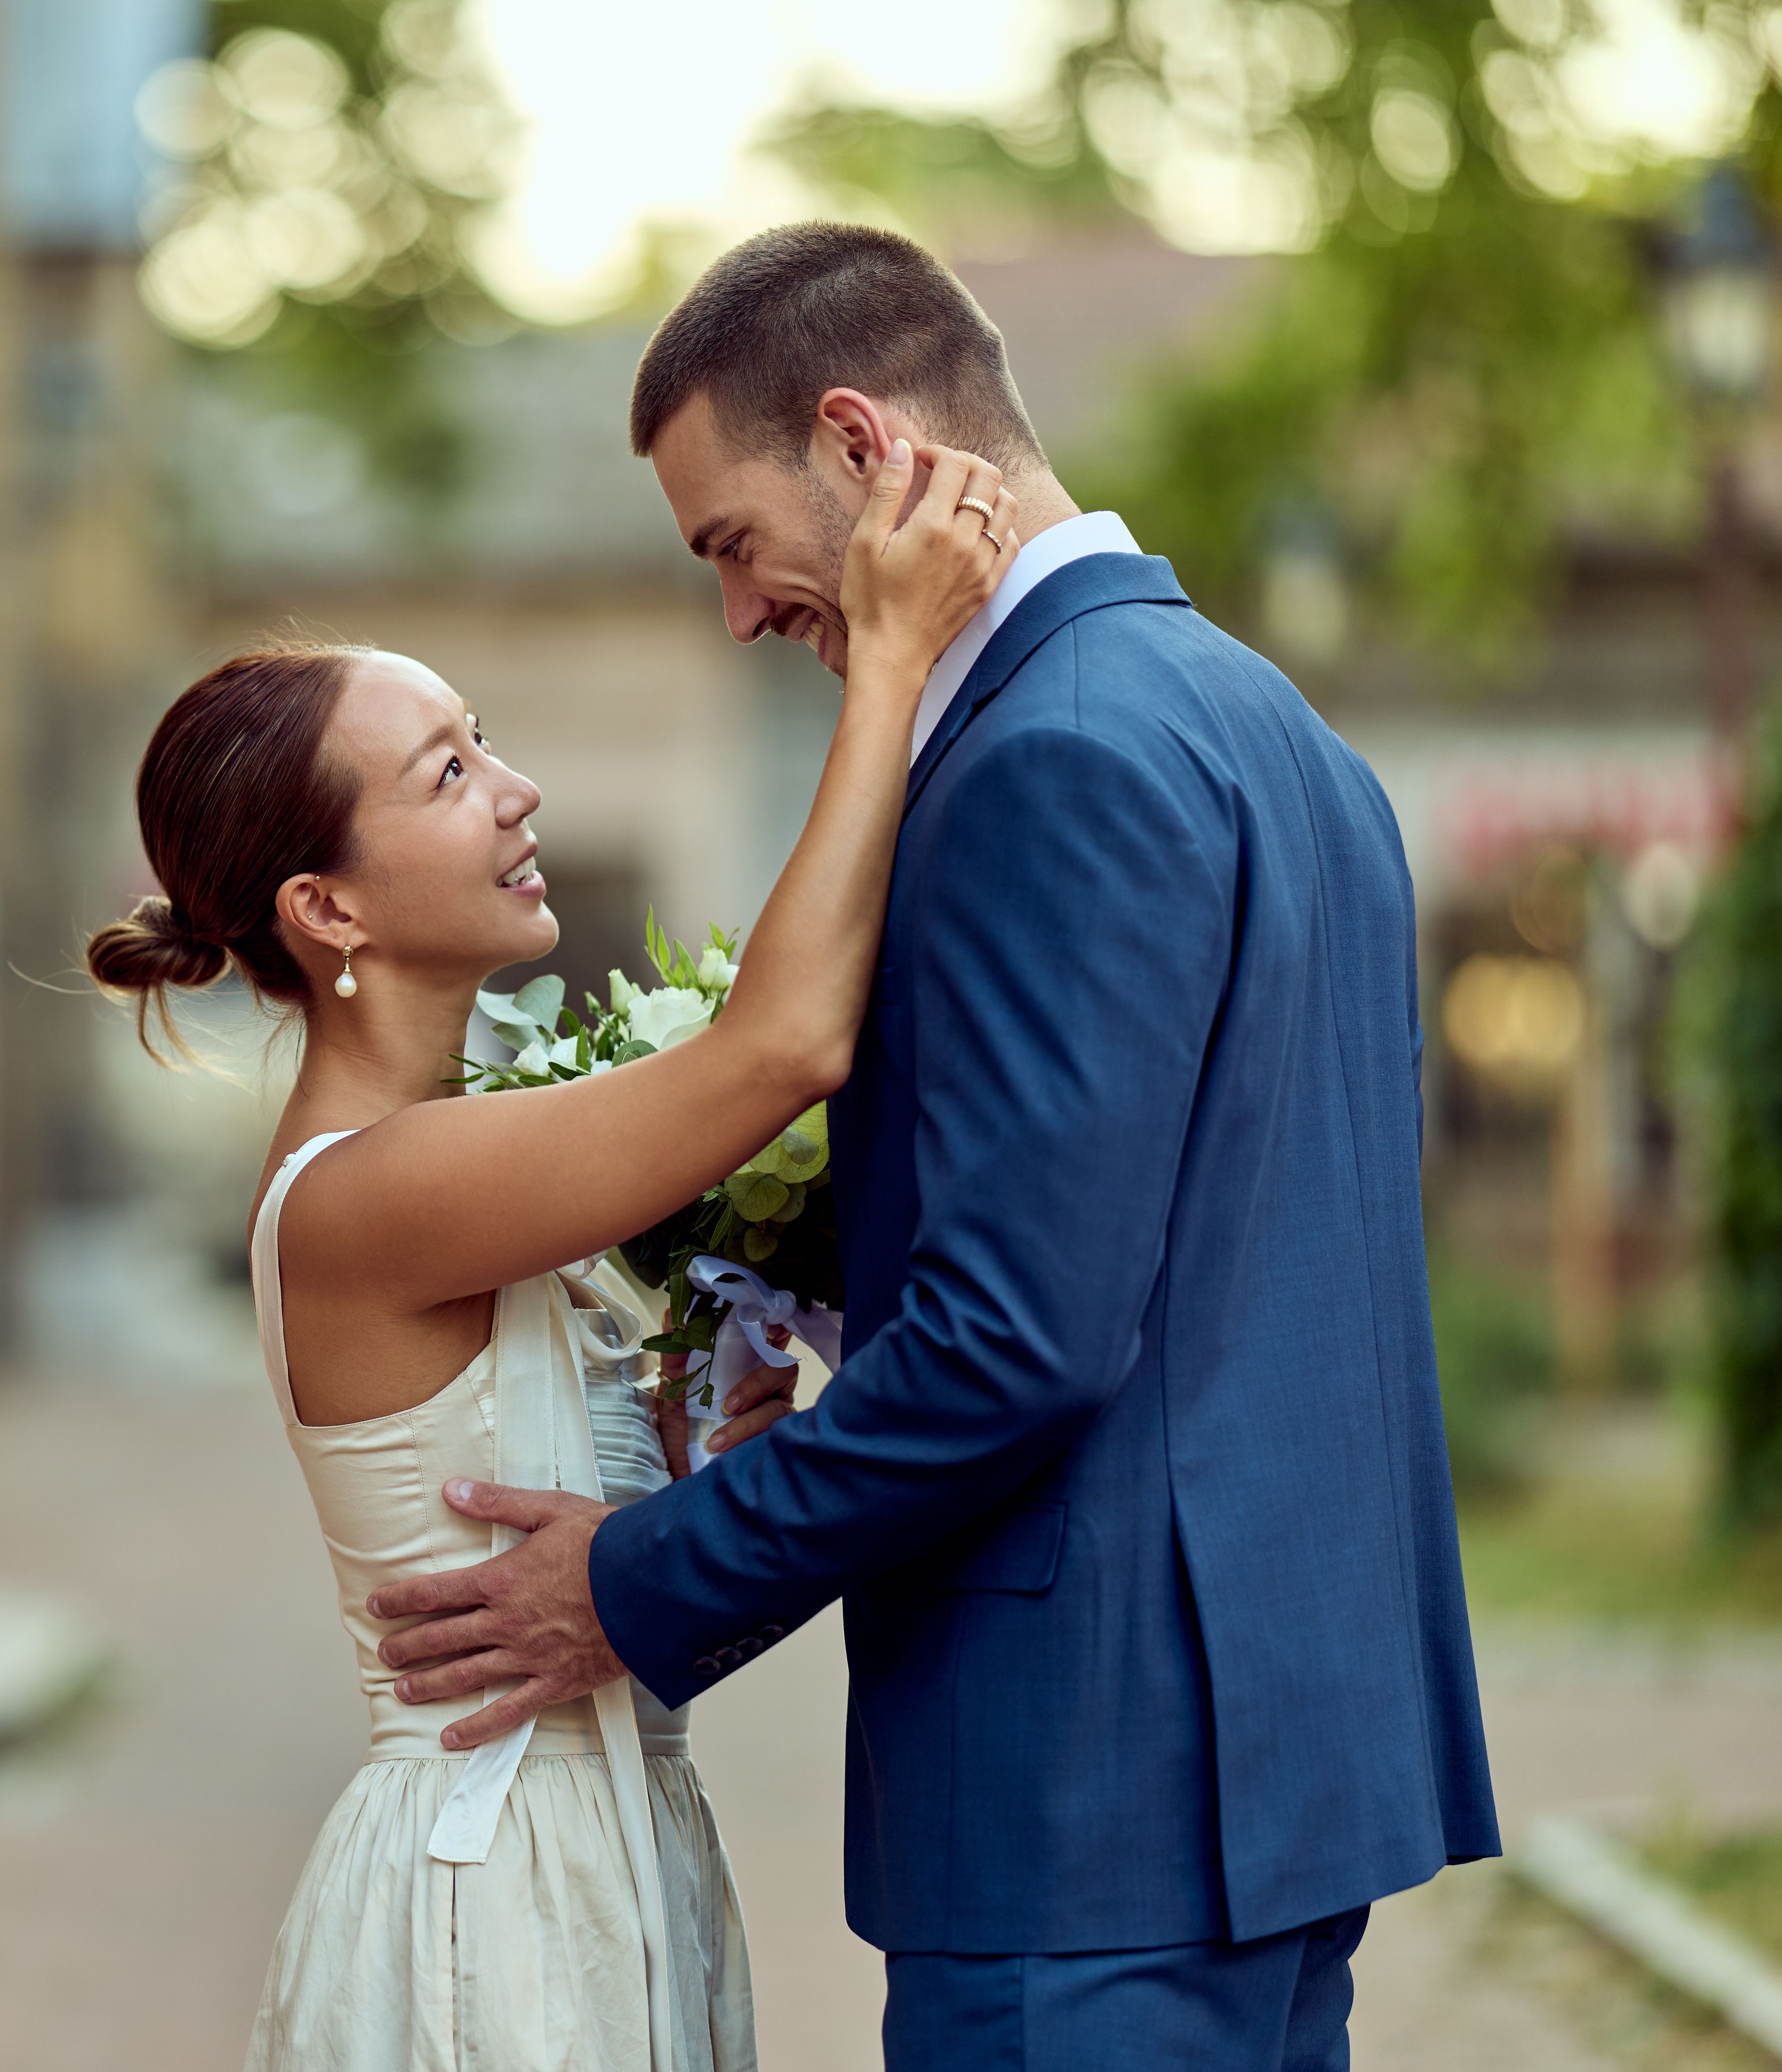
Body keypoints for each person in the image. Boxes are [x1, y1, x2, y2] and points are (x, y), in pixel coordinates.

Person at [363, 222, 1502, 2071]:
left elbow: (1018, 1342)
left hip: (1090, 1798)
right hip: (1275, 1772)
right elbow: (1195, 1229)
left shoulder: (1047, 759)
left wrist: (637, 1581)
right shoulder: (1272, 730)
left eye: (731, 543)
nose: (737, 612)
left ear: (860, 444)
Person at [84, 439, 1016, 2071]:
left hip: (613, 1856)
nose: (517, 793)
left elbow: (623, 1622)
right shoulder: (366, 1192)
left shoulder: (485, 1172)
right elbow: (784, 1042)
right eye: (446, 776)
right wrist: (887, 660)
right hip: (493, 1904)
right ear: (329, 911)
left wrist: (721, 1479)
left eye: (487, 745)